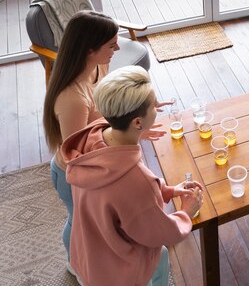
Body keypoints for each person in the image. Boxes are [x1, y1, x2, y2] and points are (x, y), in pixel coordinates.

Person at [42, 10, 166, 268]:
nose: (118, 47)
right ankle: (74, 264)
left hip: (96, 161)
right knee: (78, 222)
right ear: (89, 49)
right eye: (111, 44)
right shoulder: (71, 98)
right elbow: (79, 153)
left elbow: (107, 113)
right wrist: (132, 138)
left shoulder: (98, 67)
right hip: (73, 173)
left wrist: (139, 110)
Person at [61, 66, 203, 286]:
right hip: (120, 273)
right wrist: (186, 212)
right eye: (154, 106)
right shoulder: (135, 181)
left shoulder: (93, 136)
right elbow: (161, 233)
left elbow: (123, 202)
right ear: (137, 123)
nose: (157, 108)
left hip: (91, 256)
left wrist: (168, 190)